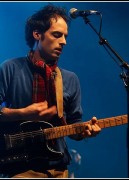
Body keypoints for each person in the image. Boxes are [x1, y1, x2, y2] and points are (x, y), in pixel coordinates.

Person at [0, 4, 101, 178]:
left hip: (59, 168)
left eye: (65, 36)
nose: (64, 42)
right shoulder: (10, 68)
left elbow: (73, 126)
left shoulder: (70, 79)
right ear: (37, 34)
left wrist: (84, 132)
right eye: (57, 35)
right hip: (21, 168)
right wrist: (22, 113)